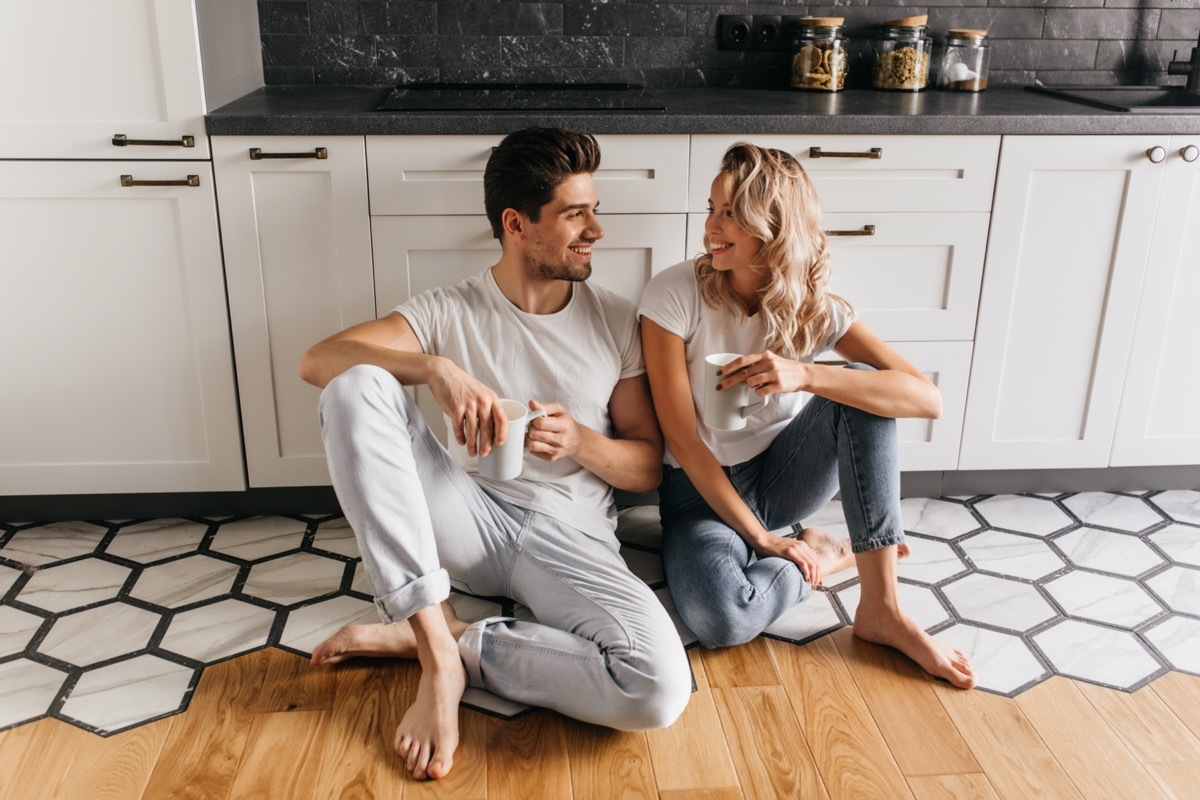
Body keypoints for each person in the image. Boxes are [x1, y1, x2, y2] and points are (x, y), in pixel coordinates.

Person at [299, 127, 691, 781]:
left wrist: (582, 442)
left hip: (571, 540)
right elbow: (318, 360)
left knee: (657, 689)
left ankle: (453, 642)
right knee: (356, 385)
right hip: (470, 519)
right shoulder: (450, 311)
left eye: (593, 209)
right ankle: (436, 649)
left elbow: (648, 465)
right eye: (575, 214)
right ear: (517, 224)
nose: (597, 228)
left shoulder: (617, 319)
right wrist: (433, 369)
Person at [637, 142, 975, 689]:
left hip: (785, 476)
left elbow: (925, 398)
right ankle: (827, 554)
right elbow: (683, 439)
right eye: (711, 208)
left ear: (772, 227)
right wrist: (768, 542)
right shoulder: (673, 295)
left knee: (865, 390)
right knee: (722, 618)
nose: (711, 227)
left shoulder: (814, 307)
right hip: (698, 495)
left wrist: (807, 374)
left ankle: (881, 608)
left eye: (730, 214)